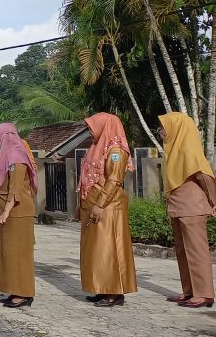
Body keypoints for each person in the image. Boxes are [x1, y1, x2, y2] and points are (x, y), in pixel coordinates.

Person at [77, 113, 137, 307]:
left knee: (109, 250)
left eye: (92, 127)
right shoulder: (96, 147)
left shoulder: (116, 150)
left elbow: (114, 180)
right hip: (93, 207)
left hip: (108, 208)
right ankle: (103, 288)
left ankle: (114, 292)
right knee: (96, 251)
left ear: (104, 126)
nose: (89, 131)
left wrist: (99, 204)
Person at [159, 112, 216, 308]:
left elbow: (205, 178)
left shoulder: (189, 150)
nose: (161, 131)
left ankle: (204, 294)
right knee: (182, 251)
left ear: (177, 128)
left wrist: (214, 201)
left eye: (164, 127)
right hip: (178, 206)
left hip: (192, 207)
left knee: (196, 250)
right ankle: (189, 290)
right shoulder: (173, 151)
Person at [0, 123, 37, 308]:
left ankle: (24, 293)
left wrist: (7, 209)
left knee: (19, 253)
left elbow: (15, 188)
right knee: (9, 253)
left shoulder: (16, 156)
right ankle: (14, 289)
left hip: (18, 212)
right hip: (11, 213)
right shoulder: (8, 156)